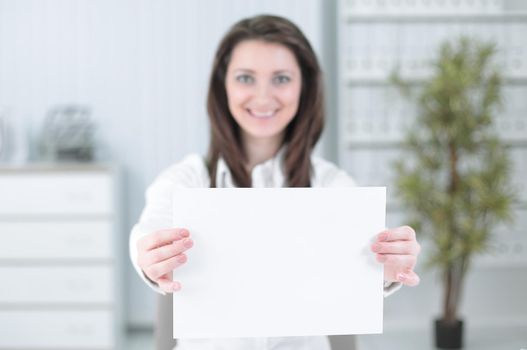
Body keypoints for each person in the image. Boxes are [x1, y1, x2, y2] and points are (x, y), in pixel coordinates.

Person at [130, 14, 421, 350]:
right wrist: (147, 256)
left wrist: (388, 265)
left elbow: (365, 257)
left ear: (304, 87)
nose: (264, 96)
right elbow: (148, 230)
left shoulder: (330, 184)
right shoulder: (187, 179)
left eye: (281, 78)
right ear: (223, 86)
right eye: (245, 78)